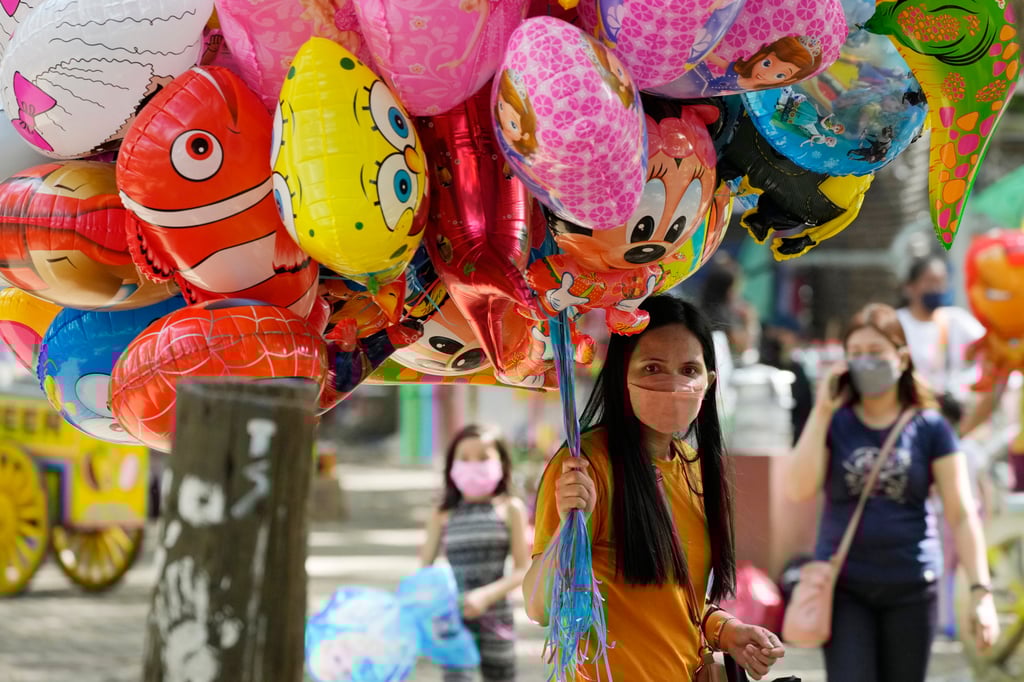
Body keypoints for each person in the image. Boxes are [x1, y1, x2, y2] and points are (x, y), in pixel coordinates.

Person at [525, 295, 786, 680]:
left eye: (688, 370)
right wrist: (568, 530)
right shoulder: (585, 467)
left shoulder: (694, 469)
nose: (673, 383)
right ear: (621, 375)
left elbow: (679, 603)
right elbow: (540, 607)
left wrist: (726, 632)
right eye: (652, 368)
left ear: (709, 383)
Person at [784, 303, 999, 682]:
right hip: (845, 587)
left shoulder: (931, 427)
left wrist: (981, 591)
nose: (865, 363)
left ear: (901, 358)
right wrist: (820, 411)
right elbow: (798, 489)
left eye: (875, 353)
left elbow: (962, 513)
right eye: (856, 355)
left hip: (913, 587)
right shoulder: (836, 422)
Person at [420, 425, 531, 682]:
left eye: (483, 457)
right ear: (451, 466)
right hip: (453, 619)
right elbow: (424, 571)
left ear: (502, 463)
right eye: (464, 458)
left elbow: (522, 569)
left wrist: (485, 596)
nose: (473, 464)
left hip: (498, 618)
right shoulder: (442, 513)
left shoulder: (511, 509)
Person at [896, 254, 994, 435]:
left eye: (942, 281)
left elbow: (991, 345)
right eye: (930, 281)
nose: (938, 287)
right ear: (910, 287)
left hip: (950, 415)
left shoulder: (955, 320)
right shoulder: (897, 323)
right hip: (909, 414)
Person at [761, 314, 814, 443]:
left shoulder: (797, 370)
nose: (777, 339)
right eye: (774, 334)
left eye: (782, 334)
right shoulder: (763, 365)